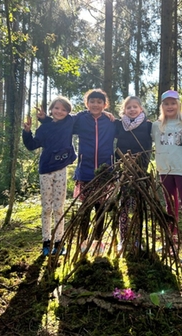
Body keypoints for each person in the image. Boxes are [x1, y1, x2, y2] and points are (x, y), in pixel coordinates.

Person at [22, 96, 77, 256]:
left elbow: (86, 114)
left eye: (64, 109)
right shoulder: (44, 129)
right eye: (57, 108)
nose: (60, 111)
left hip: (61, 169)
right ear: (51, 110)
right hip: (45, 169)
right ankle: (46, 242)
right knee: (46, 208)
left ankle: (59, 243)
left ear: (68, 112)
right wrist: (26, 132)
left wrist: (108, 115)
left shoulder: (69, 123)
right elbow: (32, 145)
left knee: (59, 208)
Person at [151, 90, 182, 267]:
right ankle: (171, 242)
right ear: (162, 106)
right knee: (170, 207)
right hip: (165, 171)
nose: (170, 106)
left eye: (173, 103)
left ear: (178, 104)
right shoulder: (156, 126)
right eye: (166, 103)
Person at [72, 89, 116, 246]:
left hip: (105, 171)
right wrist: (43, 119)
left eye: (99, 102)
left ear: (105, 105)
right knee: (85, 207)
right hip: (85, 170)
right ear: (87, 103)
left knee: (101, 208)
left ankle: (98, 241)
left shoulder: (110, 122)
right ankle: (83, 240)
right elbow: (62, 121)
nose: (95, 104)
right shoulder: (80, 119)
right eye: (92, 101)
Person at [114, 96, 152, 250]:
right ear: (124, 110)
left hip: (140, 171)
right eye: (128, 107)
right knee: (123, 204)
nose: (132, 109)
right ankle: (123, 238)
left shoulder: (148, 126)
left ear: (141, 109)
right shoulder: (118, 125)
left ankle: (137, 238)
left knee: (137, 206)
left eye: (135, 106)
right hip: (122, 170)